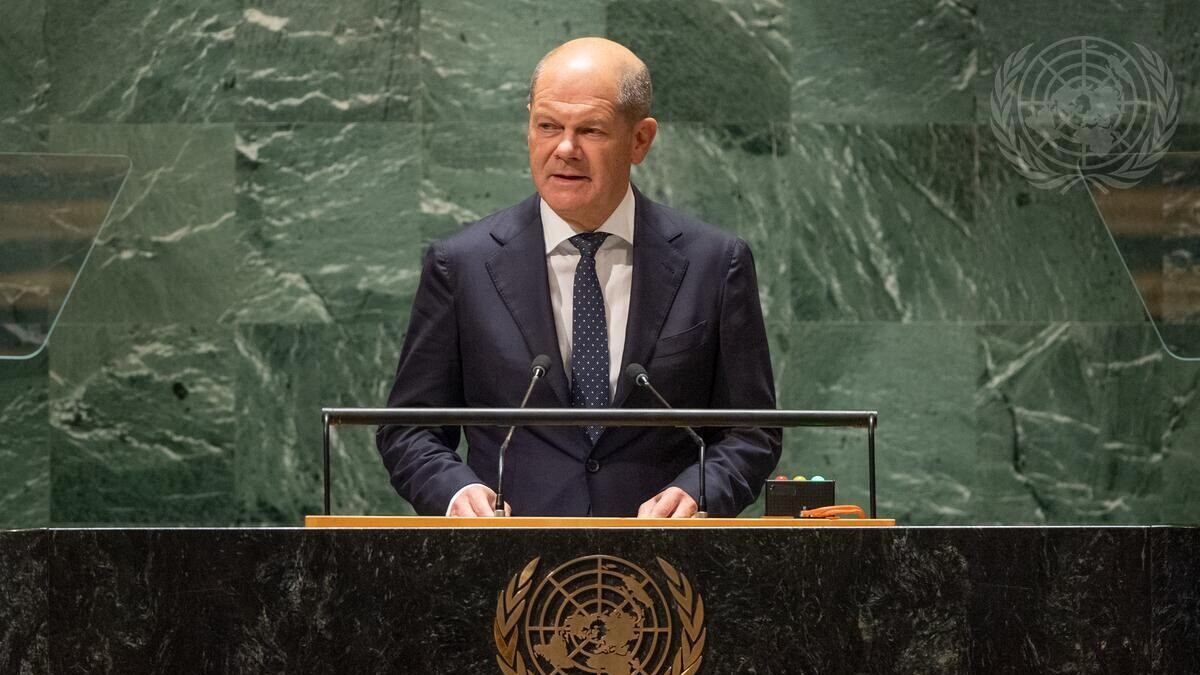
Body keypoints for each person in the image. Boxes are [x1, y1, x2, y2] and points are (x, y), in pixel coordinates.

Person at [376, 37, 780, 518]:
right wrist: (455, 491)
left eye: (590, 130)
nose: (565, 149)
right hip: (511, 553)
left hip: (661, 554)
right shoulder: (461, 264)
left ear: (640, 140)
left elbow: (751, 431)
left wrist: (699, 491)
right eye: (547, 126)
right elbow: (410, 429)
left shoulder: (714, 263)